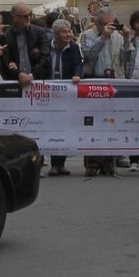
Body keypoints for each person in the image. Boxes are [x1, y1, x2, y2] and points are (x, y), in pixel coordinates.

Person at [46, 19, 84, 176]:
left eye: (69, 31)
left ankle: (60, 163)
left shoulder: (74, 47)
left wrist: (77, 74)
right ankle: (52, 162)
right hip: (48, 91)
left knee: (63, 125)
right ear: (56, 34)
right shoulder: (46, 46)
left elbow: (78, 64)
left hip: (65, 91)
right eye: (64, 32)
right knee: (51, 126)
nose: (68, 34)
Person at [0, 4, 50, 87]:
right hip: (16, 81)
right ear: (15, 17)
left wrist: (31, 75)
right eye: (25, 16)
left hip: (37, 81)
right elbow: (5, 61)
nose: (29, 18)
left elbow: (45, 56)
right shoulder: (6, 36)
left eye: (30, 14)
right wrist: (18, 74)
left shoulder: (39, 32)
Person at [80, 7, 128, 79]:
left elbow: (125, 58)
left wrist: (126, 39)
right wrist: (103, 37)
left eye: (111, 23)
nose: (109, 27)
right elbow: (88, 56)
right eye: (105, 24)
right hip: (95, 78)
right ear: (97, 23)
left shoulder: (118, 36)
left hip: (115, 78)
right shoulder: (87, 35)